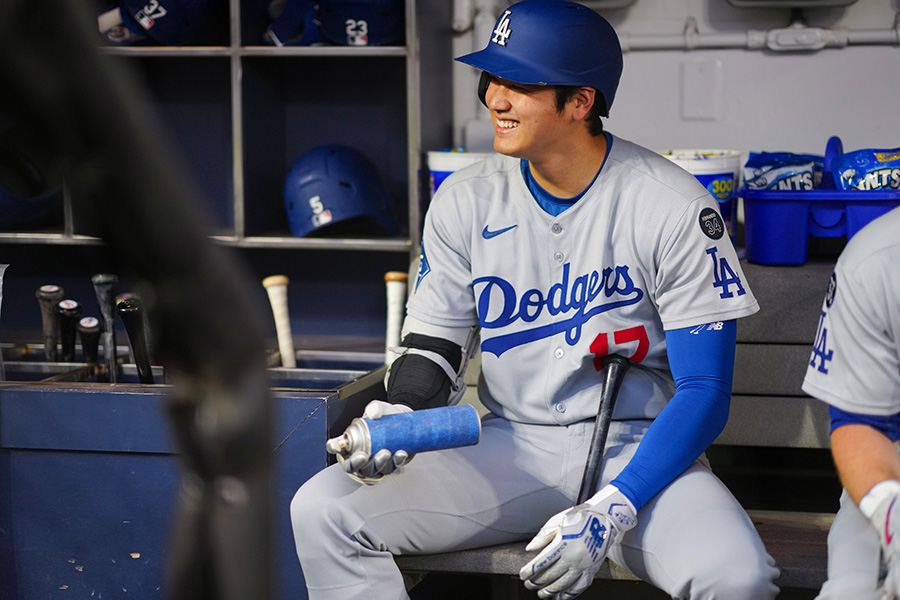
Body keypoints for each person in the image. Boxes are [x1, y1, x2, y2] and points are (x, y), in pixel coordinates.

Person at [290, 1, 780, 598]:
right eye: (491, 78)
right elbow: (434, 346)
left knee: (737, 578)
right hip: (511, 448)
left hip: (641, 456)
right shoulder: (463, 200)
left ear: (581, 102)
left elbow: (705, 393)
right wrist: (403, 414)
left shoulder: (672, 206)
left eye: (519, 83)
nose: (495, 97)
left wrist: (614, 509)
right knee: (323, 511)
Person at [801, 205, 900, 599]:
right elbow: (861, 425)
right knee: (849, 591)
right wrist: (890, 512)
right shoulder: (877, 257)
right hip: (889, 471)